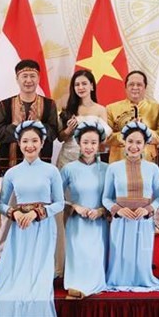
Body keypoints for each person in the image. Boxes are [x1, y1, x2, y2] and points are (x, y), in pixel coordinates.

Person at [0, 121, 64, 317]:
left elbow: (60, 203)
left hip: (43, 229)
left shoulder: (51, 171)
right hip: (20, 230)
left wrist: (36, 213)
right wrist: (16, 213)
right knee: (12, 282)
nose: (30, 145)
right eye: (25, 141)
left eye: (35, 141)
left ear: (42, 142)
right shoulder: (12, 173)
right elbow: (1, 205)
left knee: (38, 287)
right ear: (19, 143)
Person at [102, 121, 159, 291]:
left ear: (145, 145)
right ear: (124, 142)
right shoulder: (113, 168)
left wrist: (147, 209)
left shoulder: (153, 168)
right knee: (120, 256)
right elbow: (106, 199)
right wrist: (119, 210)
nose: (134, 146)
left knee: (142, 258)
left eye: (138, 142)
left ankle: (142, 279)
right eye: (130, 141)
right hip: (121, 221)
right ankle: (118, 280)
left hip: (143, 221)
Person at [60, 121, 109, 299]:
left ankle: (92, 285)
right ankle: (76, 285)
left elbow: (112, 198)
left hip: (99, 223)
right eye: (85, 142)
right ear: (79, 143)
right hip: (77, 222)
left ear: (99, 145)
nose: (89, 147)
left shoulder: (107, 169)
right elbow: (56, 198)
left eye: (93, 143)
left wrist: (101, 211)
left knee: (95, 256)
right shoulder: (68, 169)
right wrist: (75, 206)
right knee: (78, 254)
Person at [0, 60, 59, 174]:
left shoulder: (49, 104)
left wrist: (38, 126)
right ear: (17, 79)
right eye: (24, 76)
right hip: (11, 167)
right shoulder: (5, 104)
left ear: (38, 78)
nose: (28, 80)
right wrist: (19, 127)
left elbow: (53, 133)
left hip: (41, 166)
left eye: (32, 76)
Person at [57, 69, 111, 169]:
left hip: (91, 157)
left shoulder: (101, 109)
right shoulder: (67, 108)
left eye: (84, 83)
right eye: (77, 85)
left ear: (91, 86)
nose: (80, 87)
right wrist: (69, 130)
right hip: (67, 158)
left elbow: (104, 138)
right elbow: (60, 138)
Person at [106, 70, 159, 163]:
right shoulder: (111, 108)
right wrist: (127, 130)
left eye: (139, 85)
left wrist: (144, 129)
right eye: (131, 84)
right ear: (126, 87)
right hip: (118, 162)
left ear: (145, 87)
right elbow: (107, 138)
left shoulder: (156, 108)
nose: (135, 87)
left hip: (148, 162)